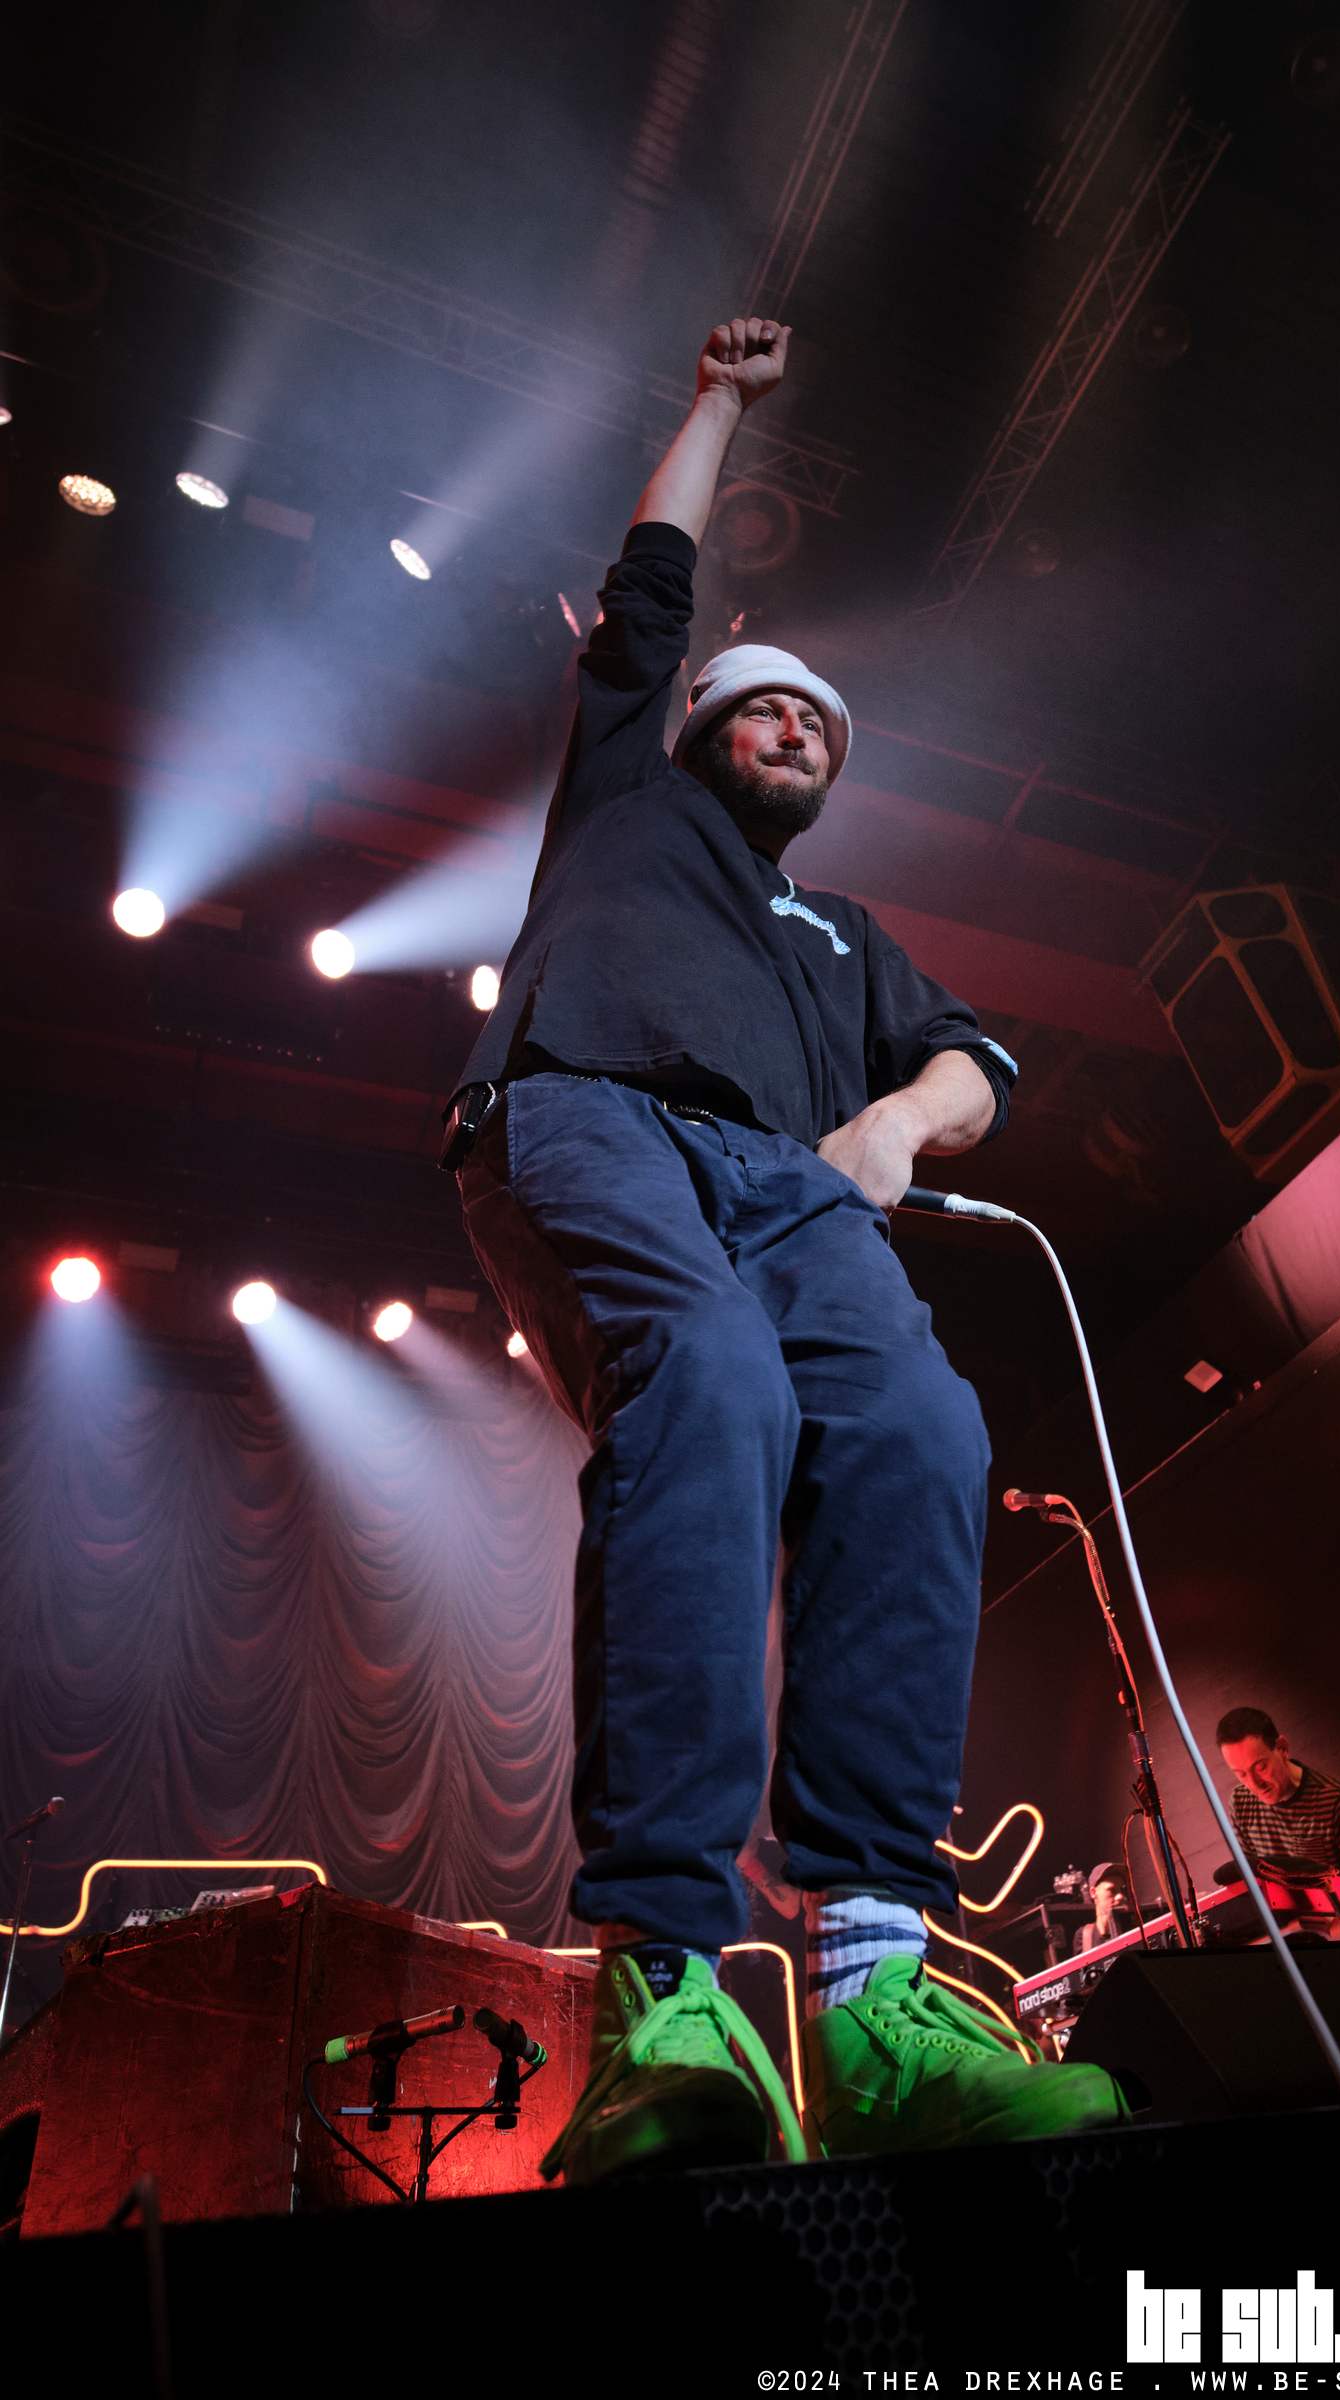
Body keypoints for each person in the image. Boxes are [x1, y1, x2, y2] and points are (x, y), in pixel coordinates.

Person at [448, 316, 1125, 2182]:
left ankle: (875, 1993)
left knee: (921, 1433)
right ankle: (668, 1981)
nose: (795, 729)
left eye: (820, 723)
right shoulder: (628, 793)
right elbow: (654, 583)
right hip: (593, 1114)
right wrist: (721, 405)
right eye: (764, 708)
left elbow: (977, 1062)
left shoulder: (844, 935)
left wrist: (895, 1127)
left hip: (797, 1180)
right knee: (715, 1387)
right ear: (698, 727)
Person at [1216, 1706, 1340, 1923]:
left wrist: (1319, 1895)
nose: (1254, 1784)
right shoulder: (1241, 1802)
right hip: (1300, 1936)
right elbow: (1256, 1883)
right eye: (1241, 1774)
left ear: (1282, 1748)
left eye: (1261, 1767)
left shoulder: (1338, 1803)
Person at [1073, 1860, 1129, 1955]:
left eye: (1123, 1890)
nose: (1120, 1896)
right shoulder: (1084, 1936)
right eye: (1112, 1890)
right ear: (1093, 1893)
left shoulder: (1134, 1928)